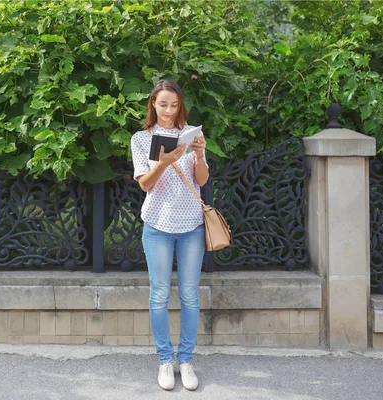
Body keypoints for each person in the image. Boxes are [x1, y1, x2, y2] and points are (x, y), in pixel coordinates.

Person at [130, 79, 208, 391]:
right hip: (157, 225)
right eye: (163, 104)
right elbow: (145, 184)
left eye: (174, 105)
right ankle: (165, 360)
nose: (168, 111)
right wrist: (164, 163)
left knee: (190, 295)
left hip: (192, 226)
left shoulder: (191, 135)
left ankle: (185, 360)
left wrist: (200, 155)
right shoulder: (140, 138)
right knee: (159, 294)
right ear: (153, 104)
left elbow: (201, 180)